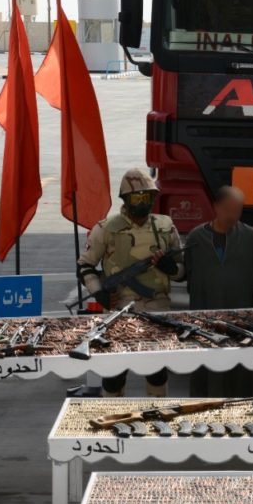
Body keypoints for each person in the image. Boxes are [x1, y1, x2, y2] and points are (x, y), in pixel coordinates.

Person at [77, 168, 184, 397]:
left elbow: (183, 271)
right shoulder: (106, 229)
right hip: (118, 311)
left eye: (148, 197)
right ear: (125, 199)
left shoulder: (165, 226)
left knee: (157, 372)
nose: (143, 202)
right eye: (137, 198)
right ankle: (113, 415)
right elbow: (85, 266)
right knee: (114, 374)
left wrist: (172, 269)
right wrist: (99, 293)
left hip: (158, 309)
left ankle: (156, 414)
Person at [185, 186, 253, 395]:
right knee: (206, 370)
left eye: (237, 210)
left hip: (241, 318)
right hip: (205, 315)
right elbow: (190, 275)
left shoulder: (251, 238)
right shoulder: (196, 238)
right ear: (216, 207)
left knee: (241, 373)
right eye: (228, 209)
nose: (232, 215)